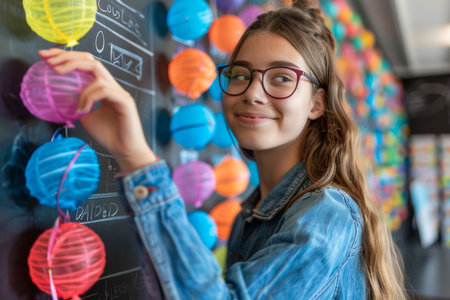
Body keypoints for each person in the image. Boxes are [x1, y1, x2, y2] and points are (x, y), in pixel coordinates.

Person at [39, 0, 406, 298]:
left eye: (281, 77)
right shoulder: (256, 209)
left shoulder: (326, 215)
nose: (253, 92)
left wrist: (137, 158)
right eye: (241, 74)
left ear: (316, 103)